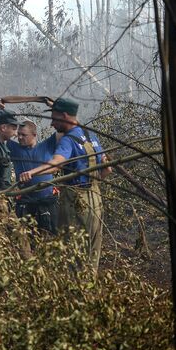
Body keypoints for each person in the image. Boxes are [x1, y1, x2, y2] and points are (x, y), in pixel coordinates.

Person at [19, 98, 111, 273]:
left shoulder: (68, 141)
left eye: (54, 119)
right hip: (96, 199)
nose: (52, 124)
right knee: (92, 251)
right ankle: (91, 290)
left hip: (75, 200)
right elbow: (107, 169)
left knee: (73, 251)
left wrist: (32, 173)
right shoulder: (91, 136)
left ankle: (75, 292)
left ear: (65, 116)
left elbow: (55, 164)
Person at [6, 119, 61, 235]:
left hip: (47, 204)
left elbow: (64, 130)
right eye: (19, 134)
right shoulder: (15, 149)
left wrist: (56, 108)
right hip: (26, 205)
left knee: (50, 239)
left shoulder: (47, 146)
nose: (20, 137)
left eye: (24, 135)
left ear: (34, 135)